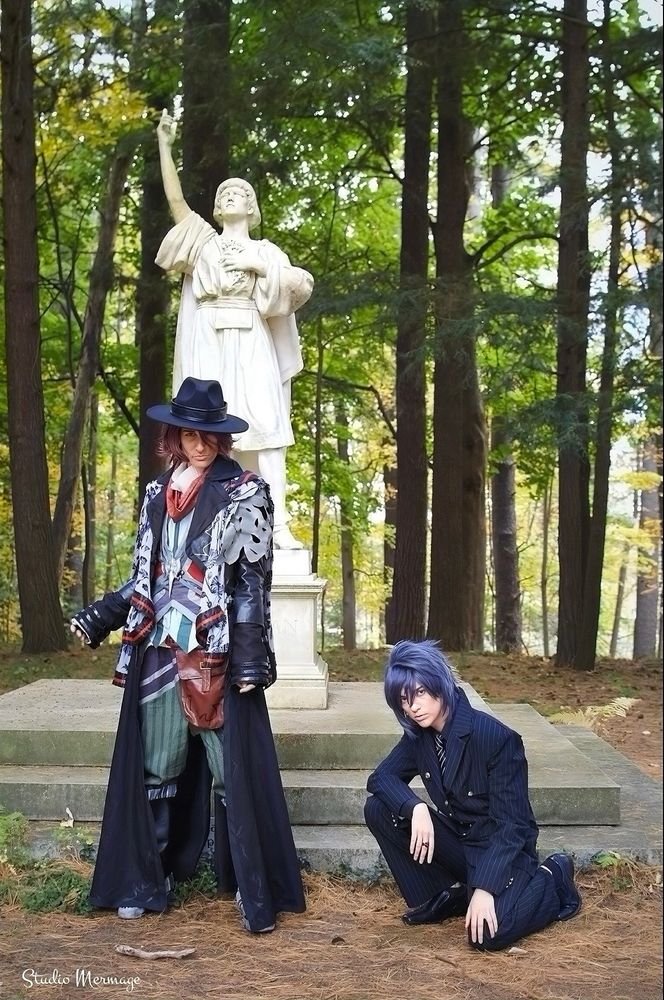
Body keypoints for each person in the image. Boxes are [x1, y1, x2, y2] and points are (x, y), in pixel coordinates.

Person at [70, 376, 305, 932]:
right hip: (157, 649)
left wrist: (250, 661)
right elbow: (145, 577)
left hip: (214, 651)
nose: (198, 443)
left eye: (208, 434)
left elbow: (251, 584)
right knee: (158, 765)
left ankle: (251, 886)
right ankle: (149, 878)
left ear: (221, 437)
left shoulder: (246, 491)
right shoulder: (158, 493)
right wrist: (102, 615)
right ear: (174, 434)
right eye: (188, 433)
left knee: (230, 769)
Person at [155, 109, 314, 551]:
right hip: (208, 339)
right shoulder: (202, 241)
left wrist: (256, 264)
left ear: (251, 206)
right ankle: (202, 520)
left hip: (251, 341)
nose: (230, 195)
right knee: (205, 429)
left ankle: (276, 524)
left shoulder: (266, 250)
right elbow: (175, 203)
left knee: (267, 430)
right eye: (224, 192)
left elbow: (300, 285)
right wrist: (166, 147)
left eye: (239, 192)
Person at [364, 640, 581, 951]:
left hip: (502, 851)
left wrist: (486, 887)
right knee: (379, 808)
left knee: (488, 937)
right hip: (461, 843)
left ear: (439, 682)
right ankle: (448, 893)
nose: (412, 706)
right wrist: (416, 808)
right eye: (403, 699)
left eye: (420, 692)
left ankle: (553, 876)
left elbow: (513, 827)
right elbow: (381, 778)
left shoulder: (495, 738)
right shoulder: (420, 736)